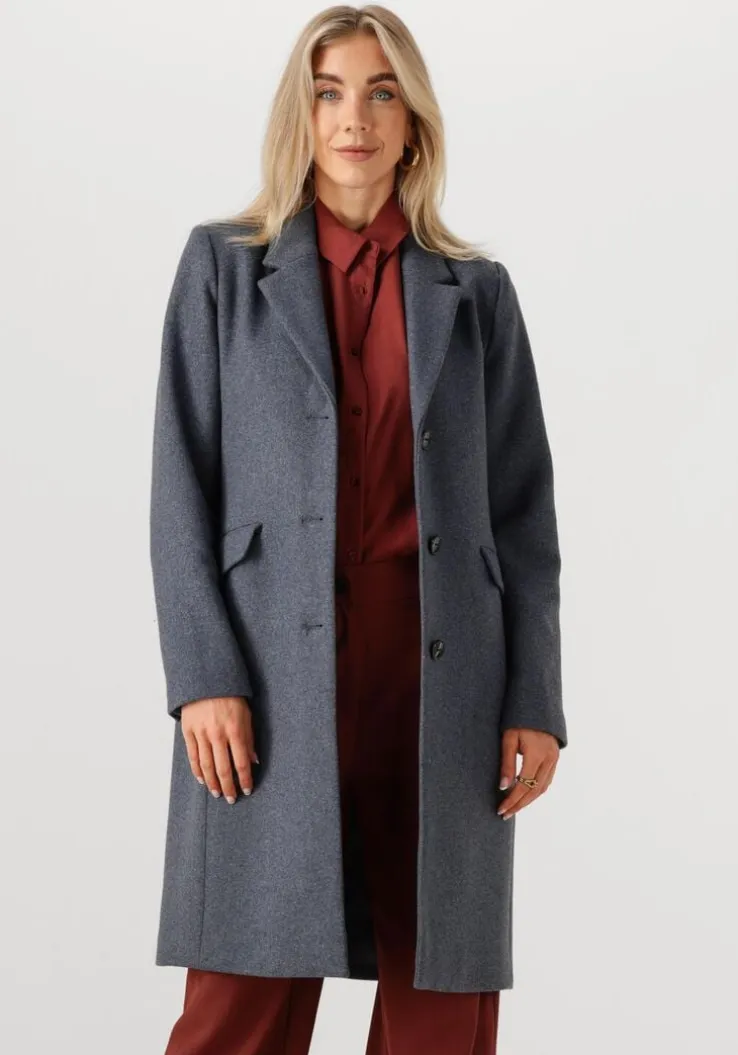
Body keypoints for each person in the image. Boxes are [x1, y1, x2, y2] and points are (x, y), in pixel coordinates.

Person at [149, 5, 568, 1053]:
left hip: (441, 689)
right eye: (329, 91)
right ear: (300, 114)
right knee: (237, 1013)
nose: (355, 118)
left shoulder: (477, 295)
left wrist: (534, 697)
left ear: (413, 120)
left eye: (382, 93)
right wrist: (203, 675)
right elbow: (180, 487)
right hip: (269, 687)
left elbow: (523, 514)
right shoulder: (222, 270)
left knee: (441, 1021)